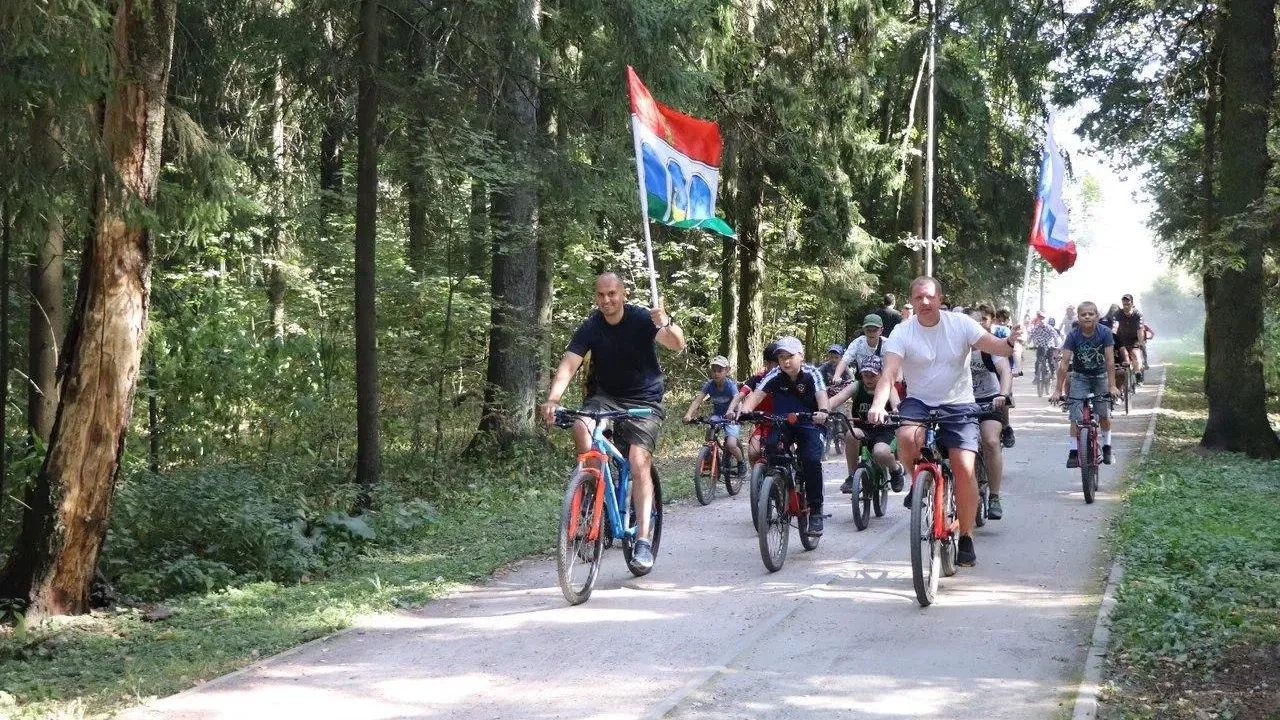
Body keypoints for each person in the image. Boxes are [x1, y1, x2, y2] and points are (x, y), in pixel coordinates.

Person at [866, 276, 1021, 568]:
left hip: (958, 401)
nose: (924, 302)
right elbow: (889, 372)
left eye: (929, 296)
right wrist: (877, 404)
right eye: (918, 297)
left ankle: (966, 536)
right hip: (920, 400)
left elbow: (998, 348)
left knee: (963, 466)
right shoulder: (902, 331)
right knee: (907, 437)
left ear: (939, 298)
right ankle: (918, 481)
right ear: (911, 302)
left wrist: (1011, 340)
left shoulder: (960, 324)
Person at [541, 273, 686, 571]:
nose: (606, 300)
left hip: (644, 402)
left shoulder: (642, 319)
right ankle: (592, 493)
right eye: (601, 295)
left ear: (623, 293)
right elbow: (570, 362)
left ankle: (643, 540)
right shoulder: (592, 325)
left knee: (638, 460)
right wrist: (554, 399)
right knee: (581, 424)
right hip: (605, 399)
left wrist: (665, 322)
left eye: (612, 294)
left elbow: (677, 343)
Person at [732, 336, 831, 535]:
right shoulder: (775, 374)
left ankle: (816, 511)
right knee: (771, 450)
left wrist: (823, 412)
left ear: (800, 356)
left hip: (810, 423)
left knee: (810, 460)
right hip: (782, 423)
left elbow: (822, 397)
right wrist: (744, 411)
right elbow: (756, 395)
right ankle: (777, 491)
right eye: (781, 357)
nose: (785, 361)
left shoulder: (812, 373)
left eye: (790, 356)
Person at [1049, 301, 1120, 468]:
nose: (1087, 316)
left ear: (1097, 316)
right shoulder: (1073, 335)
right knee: (1075, 414)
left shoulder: (1105, 333)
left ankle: (1107, 446)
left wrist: (1112, 385)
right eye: (1083, 314)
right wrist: (1058, 390)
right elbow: (1065, 363)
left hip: (1101, 376)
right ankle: (1074, 451)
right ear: (1078, 318)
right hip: (1080, 377)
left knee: (1104, 413)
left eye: (1091, 314)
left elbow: (1110, 361)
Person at [828, 354, 904, 494]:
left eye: (872, 375)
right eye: (865, 374)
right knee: (852, 434)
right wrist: (823, 410)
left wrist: (894, 412)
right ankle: (852, 476)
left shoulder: (889, 388)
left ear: (881, 374)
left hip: (884, 432)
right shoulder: (856, 386)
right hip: (863, 429)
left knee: (880, 452)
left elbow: (897, 406)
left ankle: (895, 470)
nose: (868, 379)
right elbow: (837, 399)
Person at [967, 309, 1013, 520]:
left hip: (989, 401)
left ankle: (994, 496)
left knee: (991, 441)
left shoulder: (990, 345)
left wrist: (1002, 394)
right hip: (961, 403)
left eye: (978, 322)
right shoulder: (953, 346)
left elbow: (1004, 370)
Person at [683, 356, 745, 477]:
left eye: (720, 370)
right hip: (717, 416)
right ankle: (709, 458)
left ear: (727, 371)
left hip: (731, 417)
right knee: (709, 433)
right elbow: (697, 401)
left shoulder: (730, 385)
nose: (716, 373)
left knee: (731, 444)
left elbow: (739, 400)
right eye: (714, 370)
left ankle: (741, 463)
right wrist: (688, 415)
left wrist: (736, 415)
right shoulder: (709, 385)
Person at [727, 342, 780, 466]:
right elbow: (741, 394)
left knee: (782, 452)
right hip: (762, 423)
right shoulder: (758, 378)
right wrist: (731, 410)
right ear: (767, 363)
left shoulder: (786, 378)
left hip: (781, 422)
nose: (779, 366)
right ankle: (757, 481)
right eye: (776, 363)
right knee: (752, 453)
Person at [834, 314, 887, 380]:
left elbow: (895, 364)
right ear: (864, 330)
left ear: (881, 331)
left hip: (883, 381)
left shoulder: (887, 344)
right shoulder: (858, 343)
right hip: (863, 380)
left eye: (875, 330)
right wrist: (836, 376)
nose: (871, 333)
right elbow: (844, 360)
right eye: (868, 330)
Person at [1112, 294, 1146, 384]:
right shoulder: (1118, 313)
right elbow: (1115, 327)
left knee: (1135, 354)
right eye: (1124, 304)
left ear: (1132, 303)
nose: (1126, 306)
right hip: (1121, 340)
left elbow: (1140, 330)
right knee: (1124, 356)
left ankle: (1138, 373)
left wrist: (1141, 342)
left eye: (1128, 304)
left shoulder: (1138, 315)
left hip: (1134, 339)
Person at [1028, 311, 1063, 380]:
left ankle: (1052, 374)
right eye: (1039, 318)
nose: (1041, 320)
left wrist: (1057, 347)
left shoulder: (1049, 328)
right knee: (1038, 361)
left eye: (1043, 318)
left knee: (1050, 361)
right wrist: (1028, 344)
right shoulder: (1036, 328)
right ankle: (1036, 376)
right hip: (1040, 347)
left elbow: (1056, 336)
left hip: (1049, 347)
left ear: (1045, 319)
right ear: (1037, 320)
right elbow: (1030, 336)